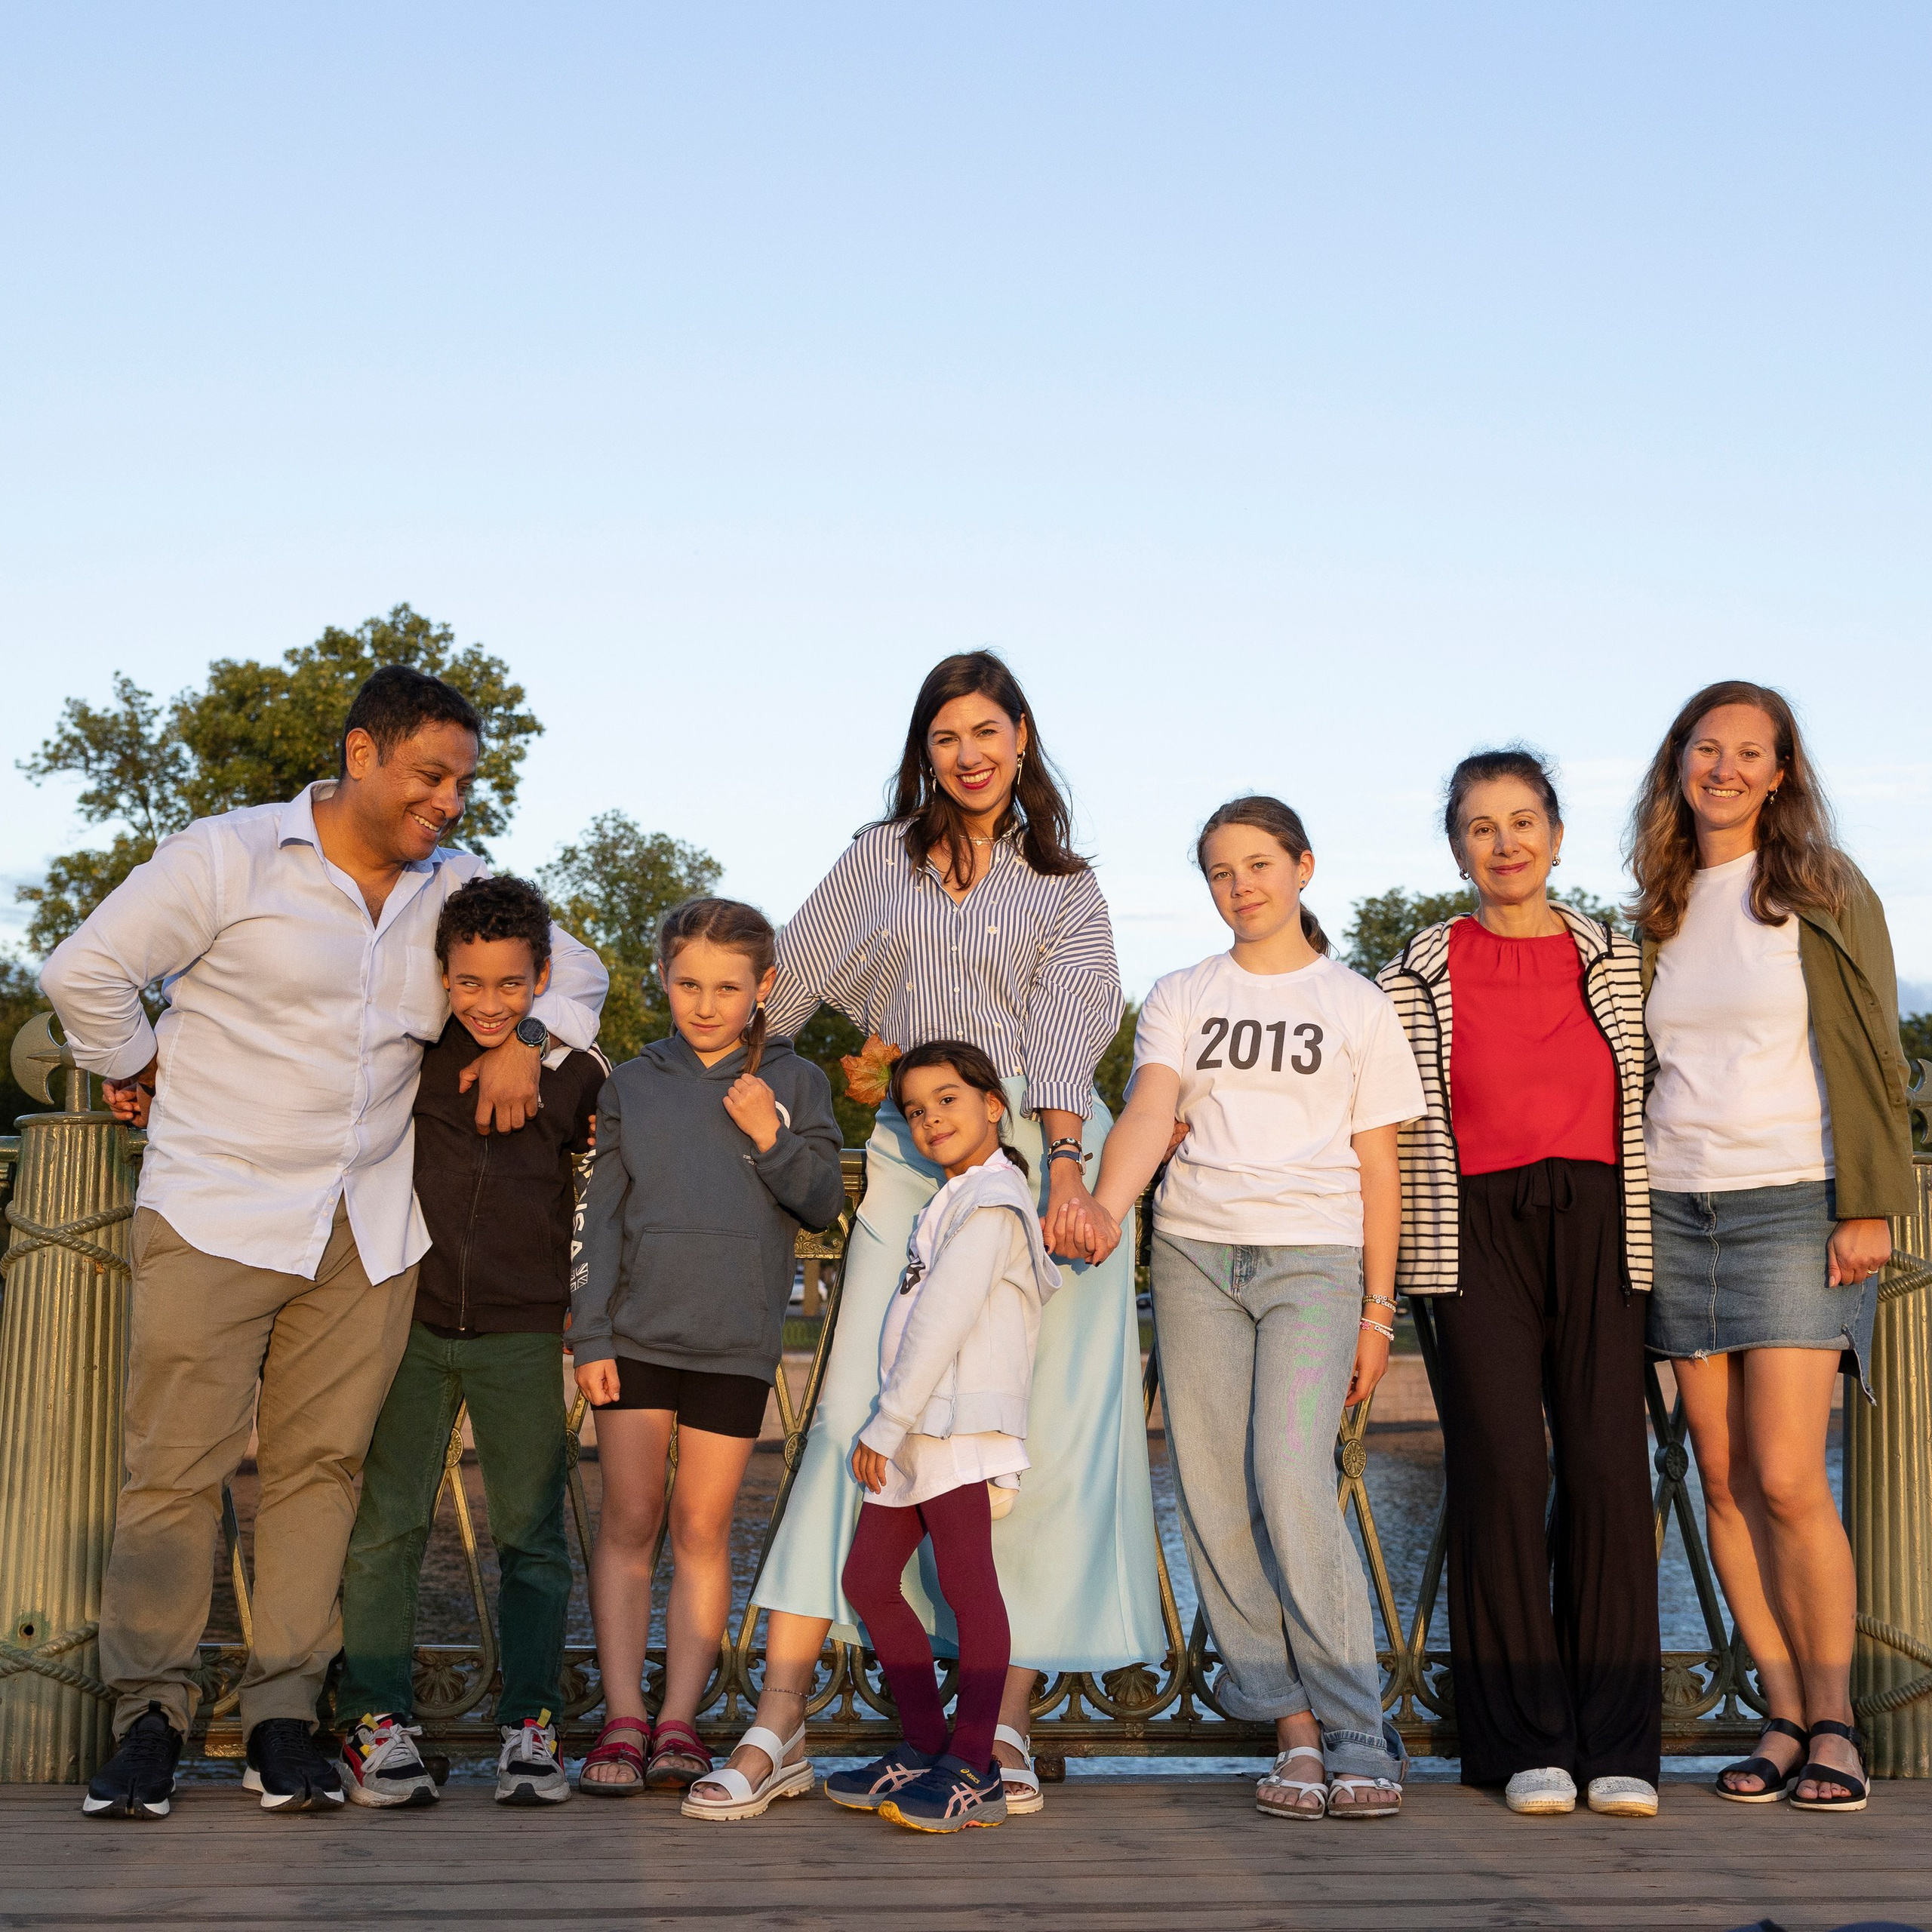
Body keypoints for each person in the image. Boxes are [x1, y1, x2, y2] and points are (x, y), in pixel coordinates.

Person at [43, 666, 608, 1820]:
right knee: (175, 1475)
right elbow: (83, 971)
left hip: (366, 1230)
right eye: (431, 775)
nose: (450, 802)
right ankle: (147, 1714)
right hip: (214, 1210)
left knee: (319, 1477)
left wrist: (524, 1043)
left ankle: (284, 1718)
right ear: (362, 755)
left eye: (462, 782)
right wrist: (135, 1063)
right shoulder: (229, 856)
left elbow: (580, 971)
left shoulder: (454, 885)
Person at [685, 651, 1164, 1822]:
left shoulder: (1065, 884)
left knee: (1026, 1440)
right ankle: (781, 1718)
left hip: (1052, 1162)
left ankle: (997, 1724)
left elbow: (1069, 1028)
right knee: (861, 1411)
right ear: (925, 750)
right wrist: (845, 1071)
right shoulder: (875, 860)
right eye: (947, 735)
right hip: (913, 1159)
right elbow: (782, 996)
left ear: (1022, 738)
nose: (970, 753)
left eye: (989, 730)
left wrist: (1062, 1170)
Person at [1081, 796, 1418, 1820]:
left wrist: (1377, 1311)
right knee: (1213, 1492)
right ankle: (1292, 1728)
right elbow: (1151, 1107)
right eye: (1222, 871)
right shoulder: (1183, 992)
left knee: (1289, 1476)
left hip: (1314, 1264)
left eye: (1261, 864)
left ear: (1304, 867)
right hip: (1194, 1258)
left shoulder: (1356, 1003)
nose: (1243, 885)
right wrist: (1104, 1209)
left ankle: (1361, 1727)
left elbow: (1378, 1164)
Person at [1632, 682, 1914, 1814]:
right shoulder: (1656, 903)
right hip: (1676, 1205)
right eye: (1710, 748)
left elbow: (1880, 1052)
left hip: (1796, 1203)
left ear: (1783, 771)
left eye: (1753, 752)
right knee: (1723, 1476)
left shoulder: (1828, 892)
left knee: (1792, 1476)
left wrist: (1873, 1204)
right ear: (1681, 761)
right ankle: (1782, 1711)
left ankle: (1838, 1721)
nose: (1728, 768)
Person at [1377, 749, 1662, 1819]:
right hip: (1468, 1232)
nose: (1505, 844)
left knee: (1604, 1468)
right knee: (1501, 1468)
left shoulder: (1619, 959)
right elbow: (1384, 1121)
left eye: (1523, 821)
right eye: (1482, 827)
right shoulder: (1416, 970)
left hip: (1602, 1222)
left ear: (1555, 834)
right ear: (1457, 847)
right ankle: (1525, 1742)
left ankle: (1622, 1740)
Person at [334, 875, 607, 1810]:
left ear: (540, 979)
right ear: (441, 977)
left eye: (510, 985)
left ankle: (530, 1726)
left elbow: (605, 1202)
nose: (489, 1003)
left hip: (524, 1331)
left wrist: (585, 1305)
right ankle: (376, 1720)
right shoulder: (408, 1055)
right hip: (406, 1323)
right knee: (388, 1528)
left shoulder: (577, 1068)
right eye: (468, 983)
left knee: (531, 1536)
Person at [571, 899, 844, 1802]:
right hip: (635, 1336)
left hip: (734, 1341)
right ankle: (621, 1713)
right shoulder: (634, 1084)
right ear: (663, 977)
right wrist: (591, 1332)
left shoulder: (798, 1082)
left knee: (700, 1528)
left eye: (728, 987)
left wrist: (769, 1131)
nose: (705, 1002)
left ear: (763, 987)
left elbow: (817, 1203)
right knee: (629, 1519)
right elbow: (600, 1219)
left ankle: (680, 1719)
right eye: (688, 982)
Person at [827, 1041, 1062, 1833]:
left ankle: (974, 1766)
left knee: (967, 1586)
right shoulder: (951, 1196)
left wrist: (885, 1422)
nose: (931, 1118)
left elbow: (945, 1317)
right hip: (917, 1426)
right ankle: (927, 1746)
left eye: (948, 1100)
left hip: (951, 1421)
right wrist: (897, 1423)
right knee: (868, 1580)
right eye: (917, 1108)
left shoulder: (994, 1200)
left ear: (993, 1104)